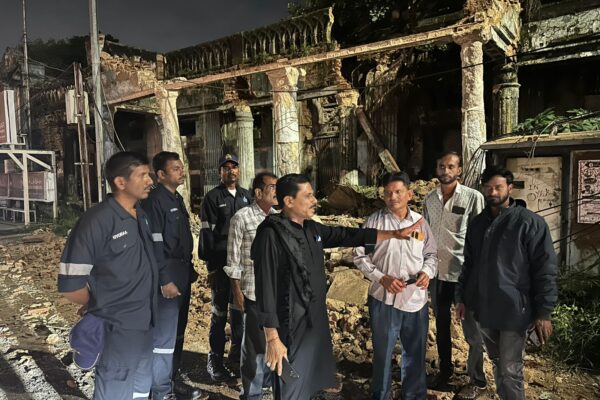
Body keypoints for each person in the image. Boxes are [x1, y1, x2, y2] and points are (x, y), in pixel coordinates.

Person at [251, 173, 422, 400]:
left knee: (309, 384)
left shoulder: (311, 229)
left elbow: (346, 235)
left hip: (314, 323)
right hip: (289, 326)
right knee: (290, 385)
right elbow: (265, 288)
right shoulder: (271, 234)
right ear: (289, 201)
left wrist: (393, 234)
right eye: (308, 196)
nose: (315, 200)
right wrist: (272, 338)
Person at [57, 152, 158, 400]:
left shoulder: (140, 215)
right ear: (120, 182)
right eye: (142, 175)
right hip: (117, 328)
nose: (150, 181)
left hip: (146, 321)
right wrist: (98, 304)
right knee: (115, 388)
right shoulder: (97, 220)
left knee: (141, 386)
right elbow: (70, 285)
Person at [456, 165, 558, 400]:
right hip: (484, 308)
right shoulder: (477, 224)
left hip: (514, 310)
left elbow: (545, 270)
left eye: (498, 187)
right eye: (488, 187)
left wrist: (544, 312)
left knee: (511, 369)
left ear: (510, 188)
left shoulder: (529, 223)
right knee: (497, 362)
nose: (493, 192)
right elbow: (468, 265)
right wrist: (461, 298)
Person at [354, 171, 438, 400]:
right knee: (383, 353)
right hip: (384, 299)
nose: (393, 197)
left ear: (409, 194)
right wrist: (381, 278)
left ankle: (414, 395)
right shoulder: (374, 222)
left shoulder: (420, 223)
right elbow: (359, 255)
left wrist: (427, 272)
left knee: (415, 352)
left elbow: (431, 255)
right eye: (388, 193)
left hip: (415, 298)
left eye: (398, 192)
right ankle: (380, 395)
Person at [423, 152, 487, 398]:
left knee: (473, 331)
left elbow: (481, 237)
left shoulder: (473, 198)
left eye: (451, 166)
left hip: (463, 275)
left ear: (459, 170)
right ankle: (445, 372)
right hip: (437, 275)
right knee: (441, 326)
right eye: (441, 166)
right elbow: (425, 235)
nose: (445, 170)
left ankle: (477, 380)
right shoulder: (430, 199)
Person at [141, 151, 202, 399]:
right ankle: (160, 391)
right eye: (176, 168)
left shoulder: (176, 198)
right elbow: (154, 244)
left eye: (181, 167)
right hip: (166, 274)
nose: (182, 171)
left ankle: (171, 381)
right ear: (161, 174)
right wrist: (164, 279)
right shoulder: (154, 201)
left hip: (181, 271)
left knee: (177, 332)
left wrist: (188, 270)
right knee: (163, 337)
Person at [224, 172, 278, 399]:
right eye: (272, 187)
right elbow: (233, 260)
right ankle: (251, 393)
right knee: (254, 346)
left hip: (275, 293)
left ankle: (267, 383)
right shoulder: (241, 218)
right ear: (258, 192)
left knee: (273, 342)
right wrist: (237, 291)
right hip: (253, 291)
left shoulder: (278, 218)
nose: (277, 191)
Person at [199, 154, 251, 381]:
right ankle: (215, 361)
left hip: (243, 267)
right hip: (221, 266)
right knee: (219, 313)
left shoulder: (247, 196)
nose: (231, 171)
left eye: (234, 167)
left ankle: (237, 360)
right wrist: (211, 268)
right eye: (226, 167)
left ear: (238, 170)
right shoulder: (212, 198)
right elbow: (206, 235)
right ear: (220, 172)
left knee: (240, 313)